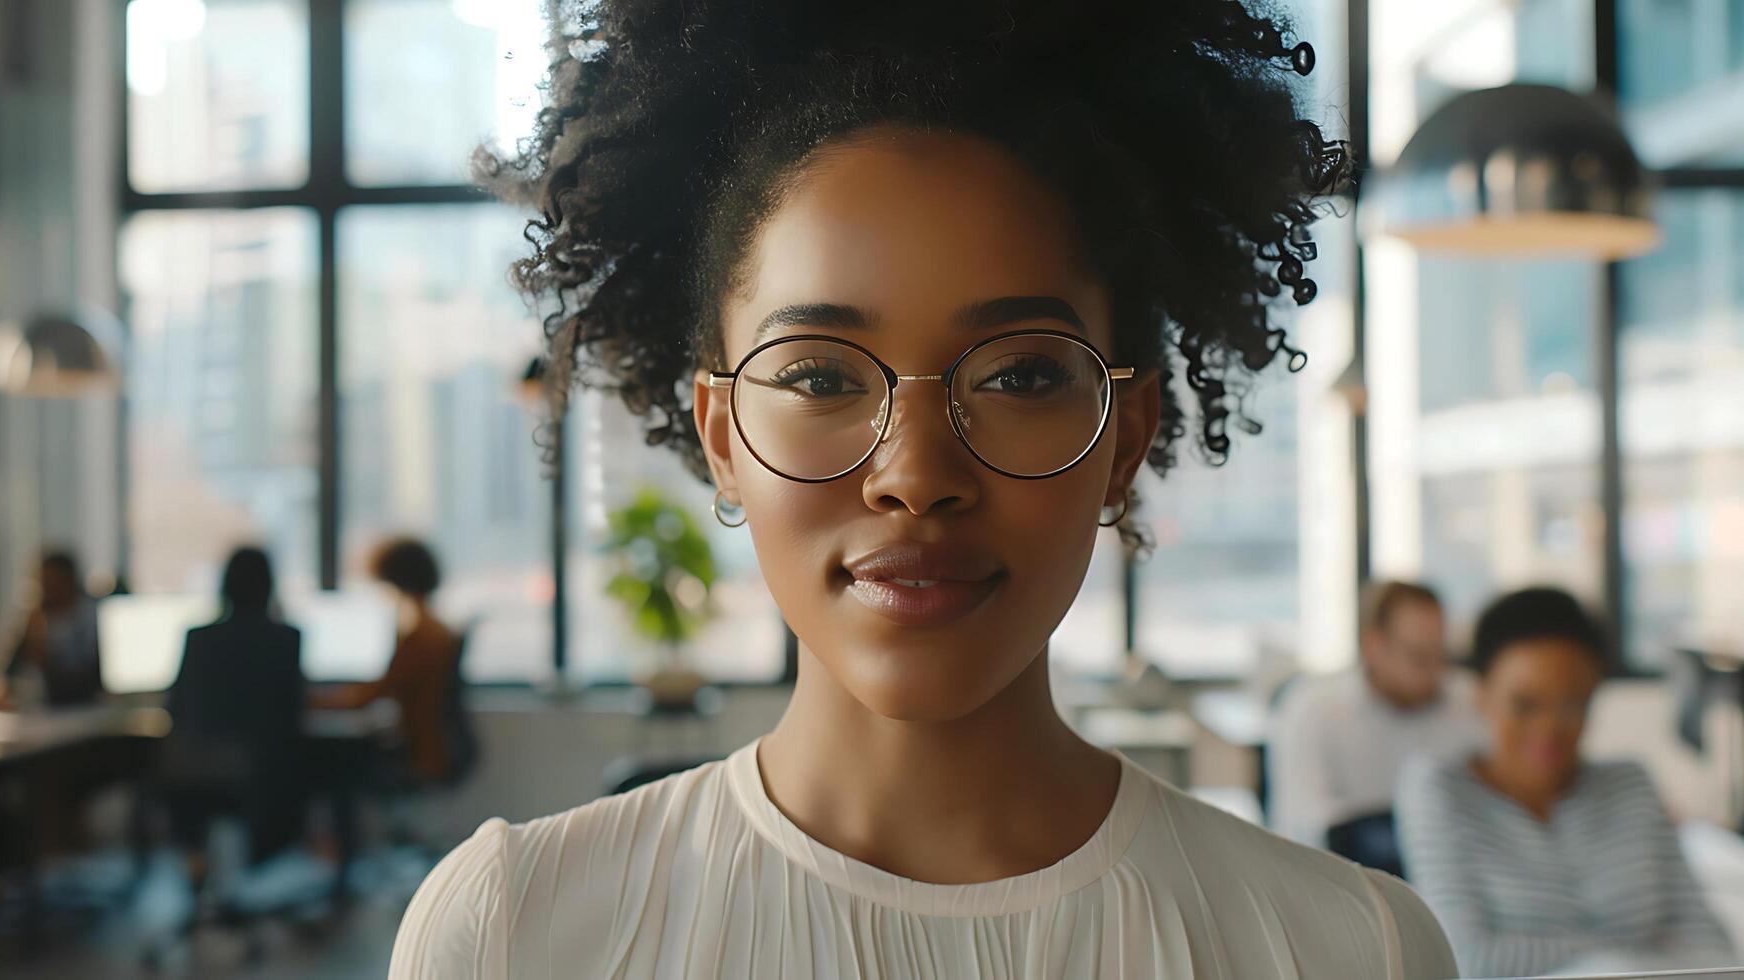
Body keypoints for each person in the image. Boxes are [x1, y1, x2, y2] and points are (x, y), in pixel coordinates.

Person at [391, 2, 1458, 977]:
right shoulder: (513, 932)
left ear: (1126, 437)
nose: (915, 475)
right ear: (722, 436)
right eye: (816, 374)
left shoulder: (1346, 947)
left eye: (1021, 374)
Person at [1396, 587, 1735, 978]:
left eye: (1572, 704)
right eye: (1525, 705)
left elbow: (1714, 948)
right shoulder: (1439, 791)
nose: (1549, 728)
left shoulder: (1631, 785)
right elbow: (1464, 959)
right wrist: (1620, 960)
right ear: (1481, 694)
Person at [1268, 581, 1485, 858]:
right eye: (1419, 657)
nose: (1436, 671)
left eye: (1441, 655)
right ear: (1373, 647)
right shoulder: (1315, 711)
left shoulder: (1470, 700)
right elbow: (1306, 832)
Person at [161, 547, 307, 869]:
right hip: (256, 771)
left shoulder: (198, 638)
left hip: (190, 765)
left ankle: (206, 870)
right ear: (270, 586)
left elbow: (173, 708)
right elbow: (292, 713)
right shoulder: (284, 639)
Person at [314, 538, 460, 786]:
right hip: (426, 746)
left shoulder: (420, 636)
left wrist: (314, 700)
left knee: (329, 763)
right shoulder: (435, 629)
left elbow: (373, 694)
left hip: (419, 753)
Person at [2, 550, 104, 707]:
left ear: (69, 580)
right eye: (43, 581)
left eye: (52, 580)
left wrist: (43, 655)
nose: (46, 587)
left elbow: (89, 679)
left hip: (86, 707)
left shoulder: (93, 616)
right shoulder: (36, 617)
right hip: (39, 709)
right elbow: (11, 670)